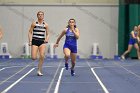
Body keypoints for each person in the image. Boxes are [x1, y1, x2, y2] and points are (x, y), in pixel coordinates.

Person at [28, 11, 49, 76]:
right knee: (34, 58)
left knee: (42, 55)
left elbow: (48, 34)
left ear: (43, 16)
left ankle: (39, 70)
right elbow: (29, 32)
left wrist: (46, 39)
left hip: (42, 41)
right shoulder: (34, 23)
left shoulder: (46, 24)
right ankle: (36, 52)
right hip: (35, 41)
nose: (40, 16)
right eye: (39, 15)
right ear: (37, 16)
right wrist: (30, 41)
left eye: (41, 14)